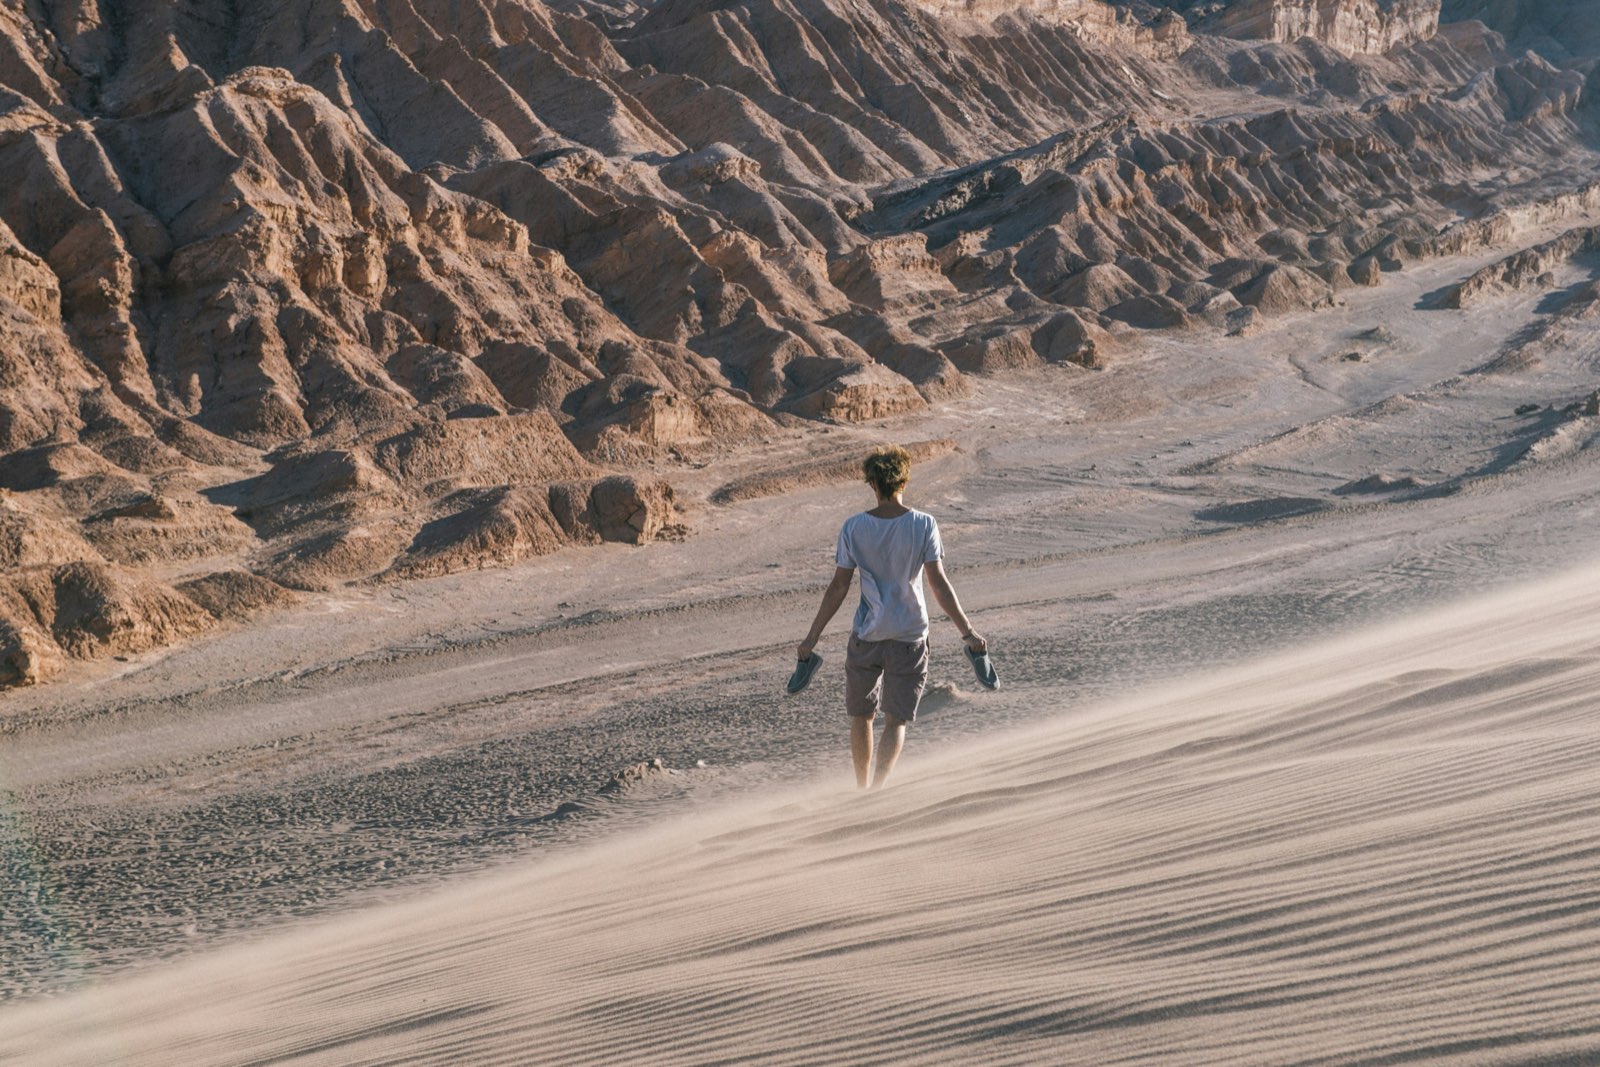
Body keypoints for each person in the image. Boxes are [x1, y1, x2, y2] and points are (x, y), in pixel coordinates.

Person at [797, 445, 987, 789]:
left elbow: (838, 587)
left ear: (872, 483)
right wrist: (968, 632)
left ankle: (861, 789)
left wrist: (812, 638)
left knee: (861, 716)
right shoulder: (923, 524)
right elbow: (938, 584)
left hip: (867, 635)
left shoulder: (854, 527)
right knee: (896, 720)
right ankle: (878, 791)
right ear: (905, 481)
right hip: (910, 636)